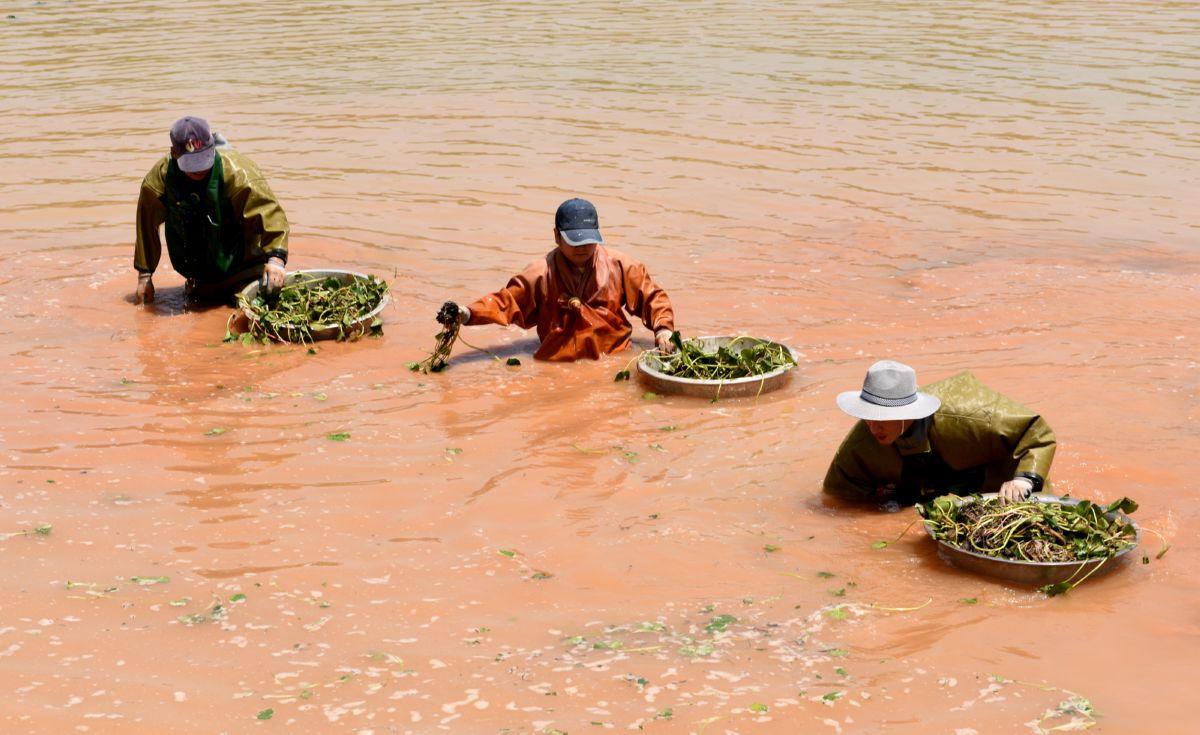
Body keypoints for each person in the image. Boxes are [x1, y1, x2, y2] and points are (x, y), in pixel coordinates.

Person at [438, 198, 676, 361]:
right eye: (574, 241)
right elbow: (505, 303)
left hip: (614, 359)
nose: (582, 248)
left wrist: (663, 331)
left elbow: (653, 297)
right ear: (556, 237)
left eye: (588, 241)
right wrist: (466, 314)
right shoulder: (541, 273)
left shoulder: (620, 265)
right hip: (557, 362)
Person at [823, 360, 1056, 505]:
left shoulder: (972, 415)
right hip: (930, 491)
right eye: (868, 416)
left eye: (883, 418)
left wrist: (1024, 480)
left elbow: (1037, 432)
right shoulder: (861, 444)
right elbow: (838, 495)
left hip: (999, 487)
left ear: (908, 411)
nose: (874, 427)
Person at [133, 116, 290, 304]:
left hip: (245, 270)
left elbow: (269, 213)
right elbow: (146, 226)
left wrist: (276, 261)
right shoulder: (159, 181)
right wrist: (145, 276)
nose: (200, 169)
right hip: (201, 279)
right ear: (174, 153)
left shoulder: (238, 173)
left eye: (203, 160)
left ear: (213, 147)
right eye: (192, 163)